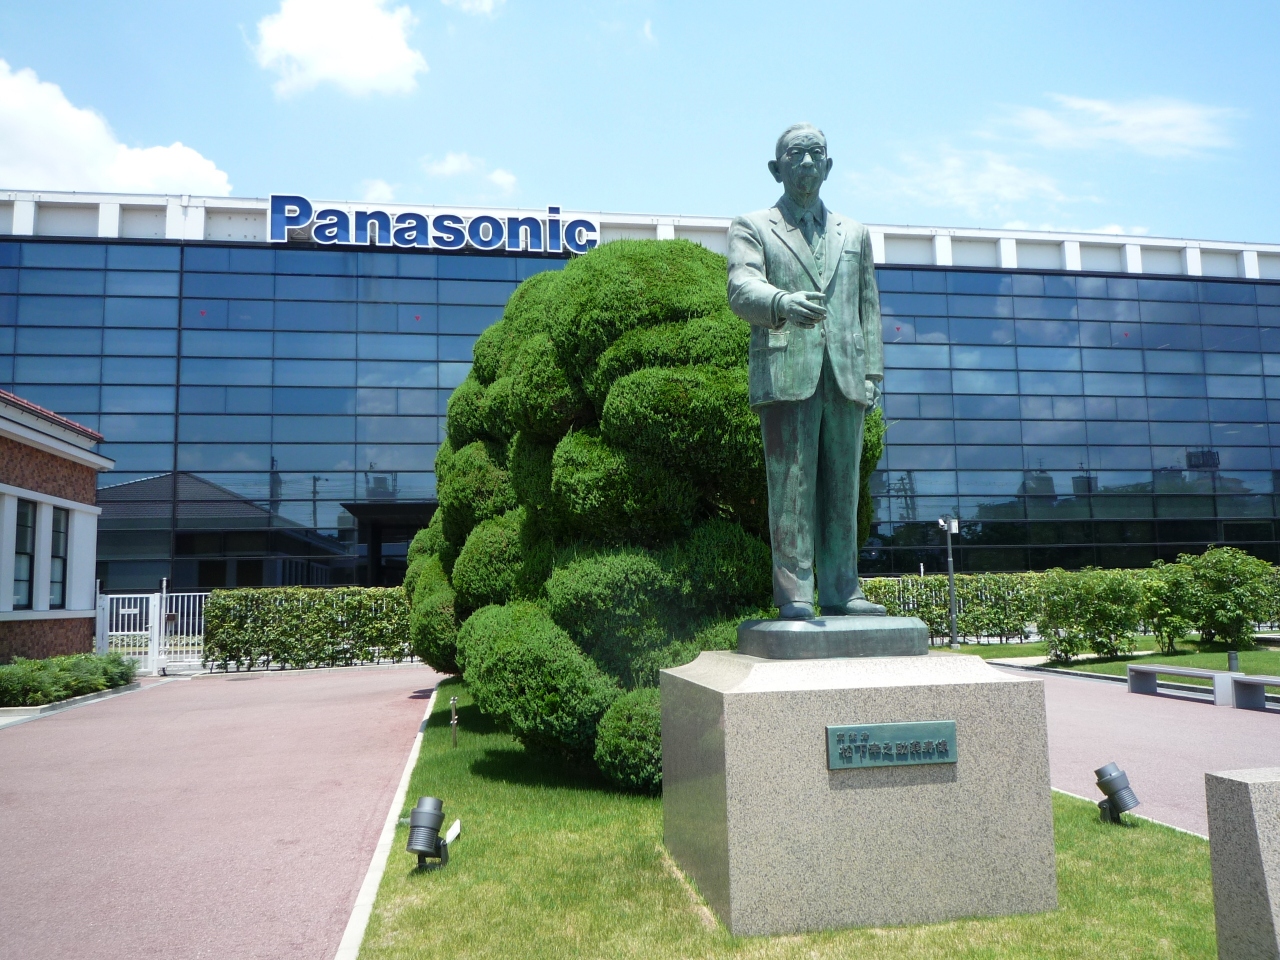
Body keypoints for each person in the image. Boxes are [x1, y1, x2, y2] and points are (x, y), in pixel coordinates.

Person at [727, 122, 886, 619]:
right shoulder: (753, 226)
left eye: (816, 153)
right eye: (796, 154)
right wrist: (781, 302)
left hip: (846, 373)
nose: (807, 162)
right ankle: (794, 594)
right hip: (787, 372)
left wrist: (872, 375)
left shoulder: (854, 232)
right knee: (791, 489)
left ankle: (843, 590)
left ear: (829, 166)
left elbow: (868, 306)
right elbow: (740, 287)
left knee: (843, 489)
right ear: (776, 168)